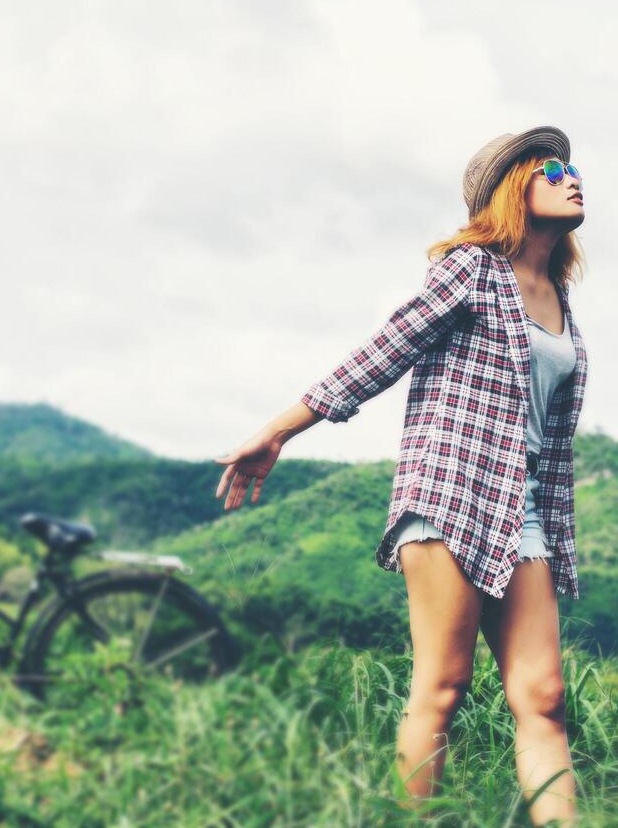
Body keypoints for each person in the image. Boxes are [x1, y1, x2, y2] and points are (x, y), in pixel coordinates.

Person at [213, 125, 588, 825]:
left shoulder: (558, 295)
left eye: (574, 169)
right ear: (514, 187)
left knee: (541, 697)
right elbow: (382, 352)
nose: (573, 178)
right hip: (449, 495)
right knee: (441, 687)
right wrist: (277, 431)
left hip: (522, 509)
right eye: (552, 169)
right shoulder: (471, 269)